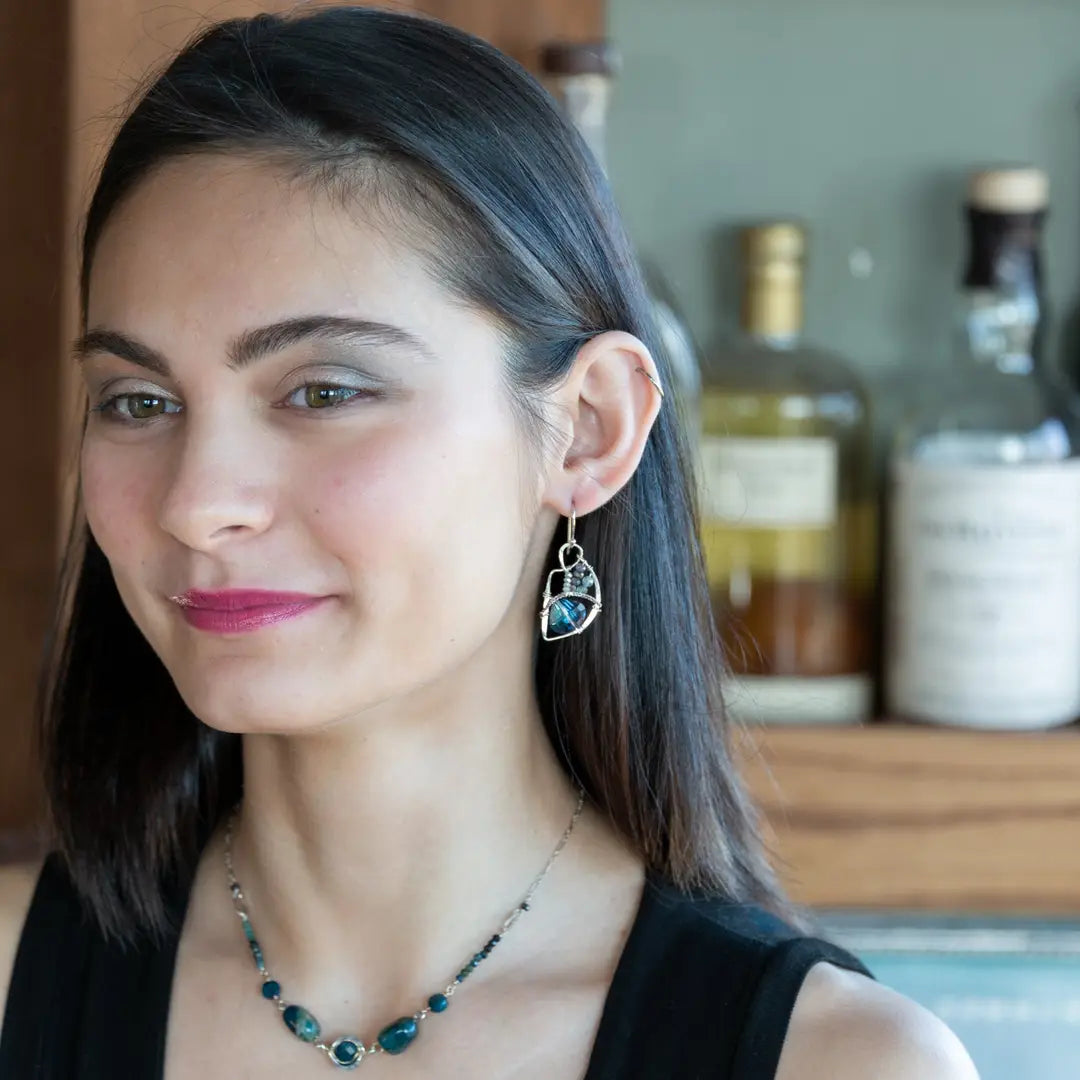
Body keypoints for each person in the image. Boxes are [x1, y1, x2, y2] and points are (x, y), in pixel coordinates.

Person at [0, 7, 978, 1079]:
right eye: (139, 401)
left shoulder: (841, 1064)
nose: (197, 503)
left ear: (590, 428)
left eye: (324, 390)